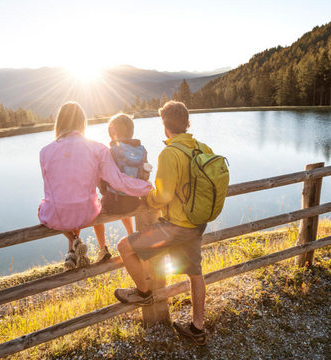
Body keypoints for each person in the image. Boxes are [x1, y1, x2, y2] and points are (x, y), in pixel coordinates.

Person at [114, 101, 213, 345]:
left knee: (124, 248)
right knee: (195, 273)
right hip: (197, 223)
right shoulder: (202, 147)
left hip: (175, 228)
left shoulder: (170, 152)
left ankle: (144, 294)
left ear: (165, 125)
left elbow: (164, 196)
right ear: (187, 122)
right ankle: (197, 329)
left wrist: (148, 197)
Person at [38, 102, 152, 270]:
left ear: (59, 122)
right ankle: (79, 244)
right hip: (88, 214)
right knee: (86, 202)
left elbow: (49, 187)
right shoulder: (98, 148)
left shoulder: (45, 151)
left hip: (56, 216)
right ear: (83, 122)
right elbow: (117, 181)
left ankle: (74, 241)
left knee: (44, 208)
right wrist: (145, 186)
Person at [92, 113, 151, 262]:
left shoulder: (110, 151)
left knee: (95, 205)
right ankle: (131, 234)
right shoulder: (141, 151)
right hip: (134, 202)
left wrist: (103, 192)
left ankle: (103, 248)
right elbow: (145, 176)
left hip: (113, 204)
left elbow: (102, 179)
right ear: (132, 132)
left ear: (113, 134)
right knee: (123, 194)